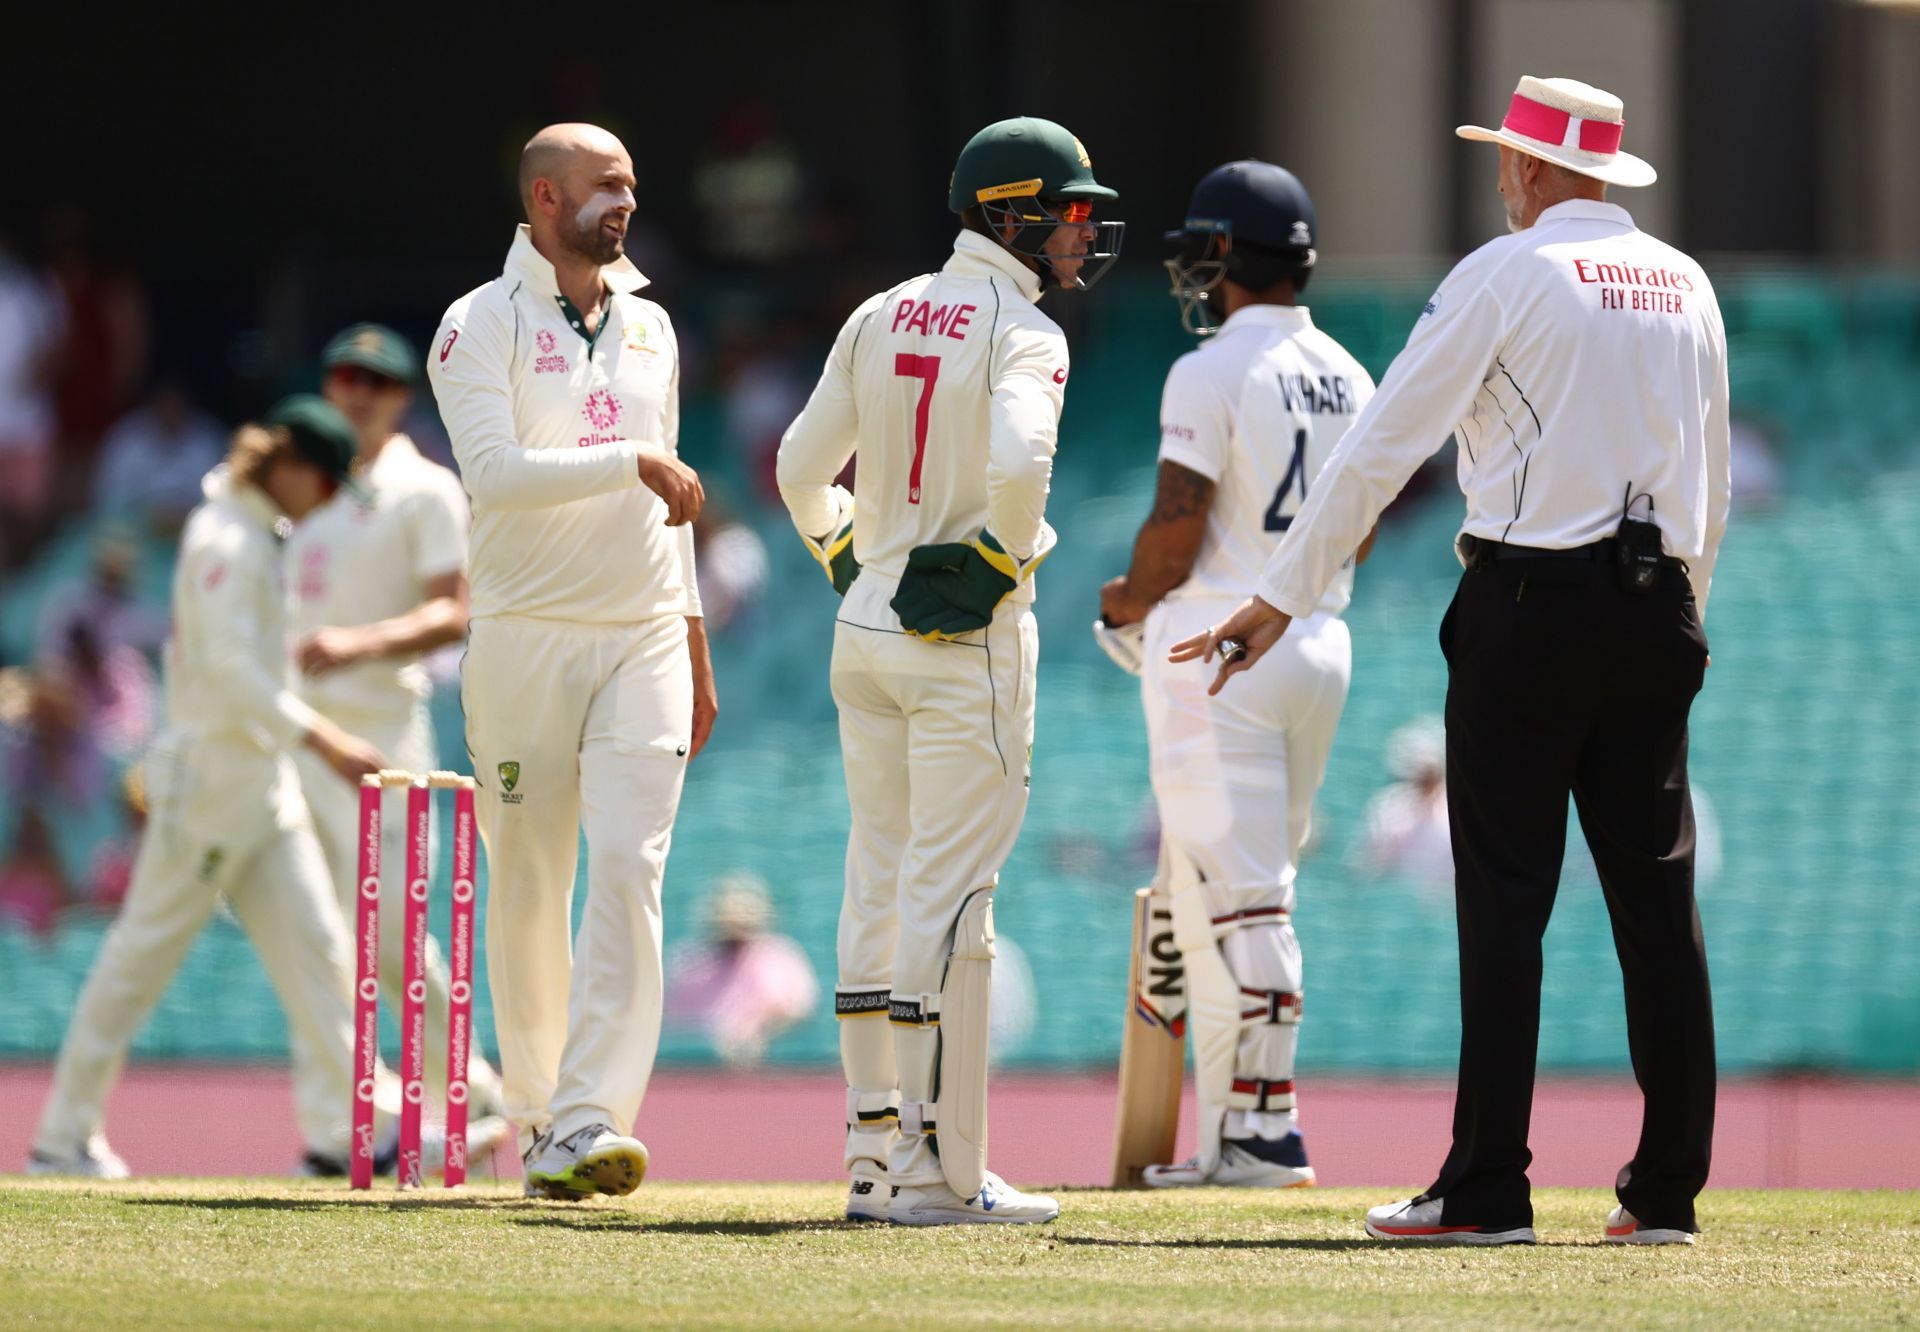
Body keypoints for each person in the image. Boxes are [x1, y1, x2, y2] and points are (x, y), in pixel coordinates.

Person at [1175, 76, 1729, 1246]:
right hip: (1657, 605)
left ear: (1528, 169)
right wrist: (1690, 614)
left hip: (1530, 599)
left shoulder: (1505, 271)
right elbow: (1711, 476)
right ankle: (1669, 1190)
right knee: (1656, 900)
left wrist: (1281, 593)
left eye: (1504, 162)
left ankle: (1487, 1190)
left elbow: (1385, 444)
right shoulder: (1686, 281)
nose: (1500, 180)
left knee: (1506, 902)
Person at [776, 115, 1122, 1226]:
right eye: (1067, 213)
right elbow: (1022, 463)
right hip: (960, 636)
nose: (1081, 233)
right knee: (951, 890)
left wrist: (846, 553)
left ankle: (874, 1152)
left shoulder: (879, 312)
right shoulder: (1026, 331)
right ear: (1009, 213)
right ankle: (935, 1169)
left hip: (868, 621)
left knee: (875, 875)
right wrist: (994, 559)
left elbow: (795, 468)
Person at [427, 123, 715, 1201]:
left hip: (641, 631)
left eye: (633, 184)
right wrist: (630, 458)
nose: (626, 202)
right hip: (522, 636)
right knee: (532, 886)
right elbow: (494, 477)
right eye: (606, 186)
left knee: (632, 868)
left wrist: (693, 643)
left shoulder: (652, 328)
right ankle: (542, 1116)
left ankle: (591, 1112)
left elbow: (674, 510)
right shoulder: (476, 324)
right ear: (545, 198)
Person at [27, 397, 397, 1178]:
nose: (329, 500)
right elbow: (230, 673)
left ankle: (358, 1124)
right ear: (290, 466)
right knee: (139, 960)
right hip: (211, 785)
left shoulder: (255, 533)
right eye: (326, 481)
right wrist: (325, 738)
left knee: (320, 948)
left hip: (261, 783)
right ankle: (63, 1136)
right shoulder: (224, 535)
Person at [1098, 161, 1375, 1190]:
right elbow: (1367, 528)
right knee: (1252, 890)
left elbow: (1178, 531)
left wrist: (1123, 600)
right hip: (1317, 637)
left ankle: (1263, 1133)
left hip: (1219, 645)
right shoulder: (1351, 372)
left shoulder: (1210, 370)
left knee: (1243, 898)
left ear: (1224, 255)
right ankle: (1237, 1128)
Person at [283, 322, 508, 1146]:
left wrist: (359, 643)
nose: (356, 391)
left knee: (389, 932)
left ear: (401, 398)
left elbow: (456, 609)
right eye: (345, 376)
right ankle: (331, 1131)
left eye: (375, 381)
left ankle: (473, 1086)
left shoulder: (426, 489)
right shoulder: (305, 490)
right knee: (313, 932)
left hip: (381, 731)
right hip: (300, 735)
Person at [664, 872, 819, 1066]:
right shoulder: (689, 961)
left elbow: (801, 1012)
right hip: (698, 1073)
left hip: (771, 1069)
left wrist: (762, 1029)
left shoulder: (781, 956)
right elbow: (674, 1025)